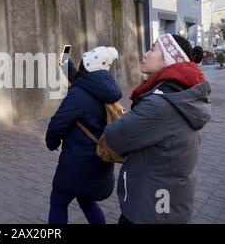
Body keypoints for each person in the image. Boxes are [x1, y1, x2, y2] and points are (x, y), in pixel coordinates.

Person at [103, 34, 211, 224]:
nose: (145, 54)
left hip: (150, 209)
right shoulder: (180, 93)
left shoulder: (160, 104)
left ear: (169, 59)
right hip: (169, 201)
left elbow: (114, 136)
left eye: (152, 49)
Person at [46, 46, 122, 224]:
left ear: (87, 65)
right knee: (87, 201)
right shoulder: (104, 86)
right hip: (98, 161)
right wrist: (65, 56)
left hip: (77, 163)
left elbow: (57, 124)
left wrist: (52, 143)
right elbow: (76, 75)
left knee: (58, 202)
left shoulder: (78, 94)